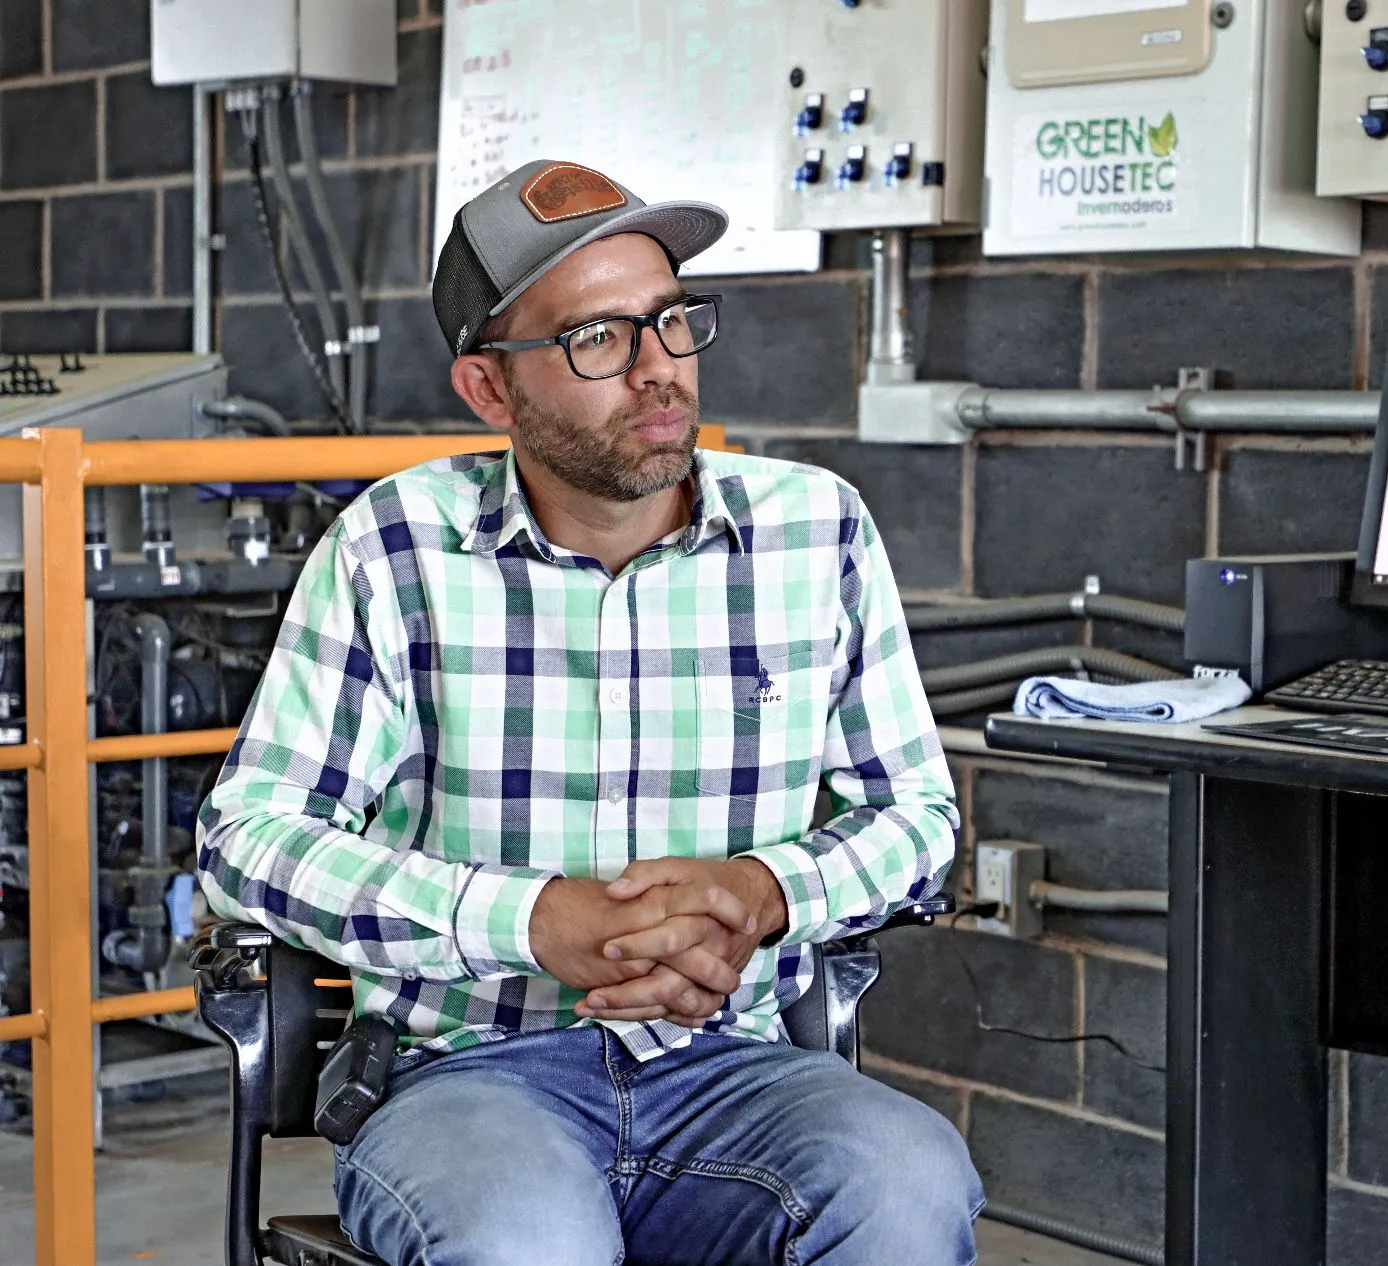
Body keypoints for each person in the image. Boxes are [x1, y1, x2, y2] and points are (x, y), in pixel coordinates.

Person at [197, 159, 980, 1266]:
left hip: (736, 1069)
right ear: (489, 390)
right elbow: (249, 839)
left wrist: (763, 893)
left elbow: (918, 820)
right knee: (529, 1243)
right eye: (597, 339)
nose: (658, 368)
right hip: (467, 1076)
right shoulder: (396, 547)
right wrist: (527, 921)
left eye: (671, 320)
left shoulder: (818, 531)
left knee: (907, 1184)